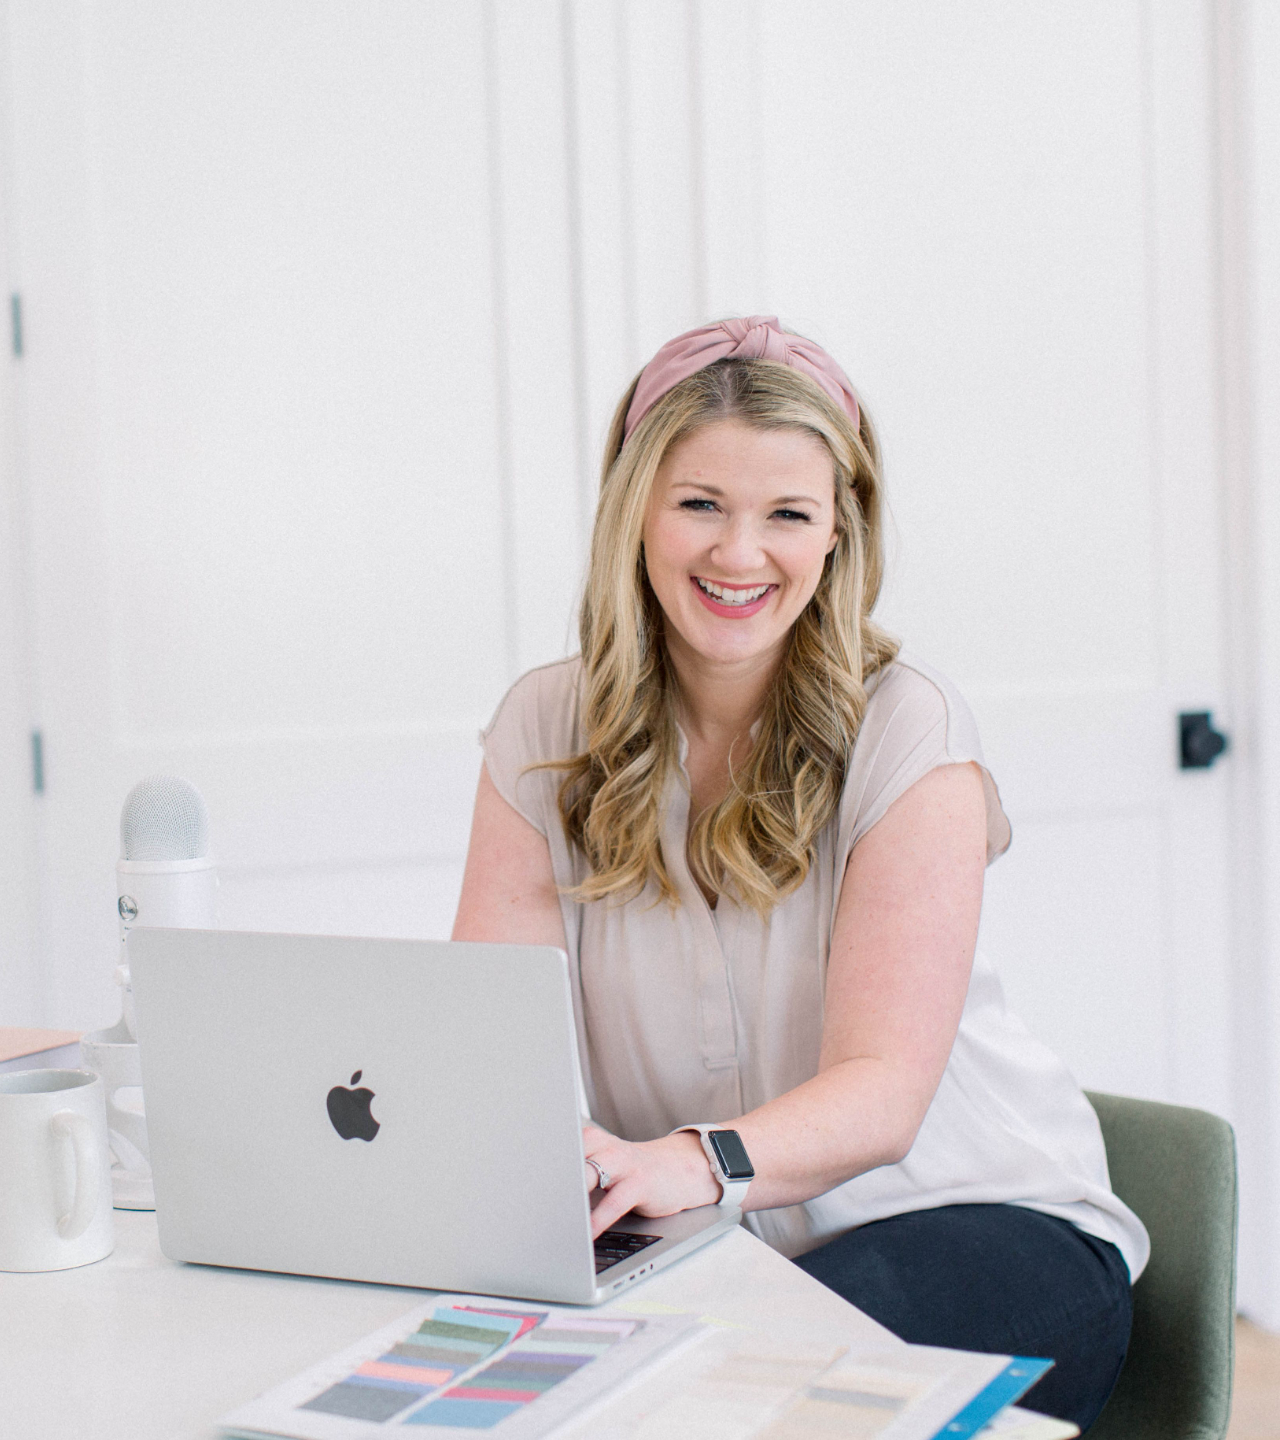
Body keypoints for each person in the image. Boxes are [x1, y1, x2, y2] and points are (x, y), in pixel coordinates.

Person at [452, 316, 1145, 1427]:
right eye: (699, 504)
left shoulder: (909, 728)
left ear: (836, 532)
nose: (740, 554)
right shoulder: (544, 729)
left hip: (984, 1227)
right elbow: (489, 1056)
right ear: (634, 510)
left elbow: (883, 1095)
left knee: (723, 1400)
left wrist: (692, 1162)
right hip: (720, 1254)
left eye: (786, 513)